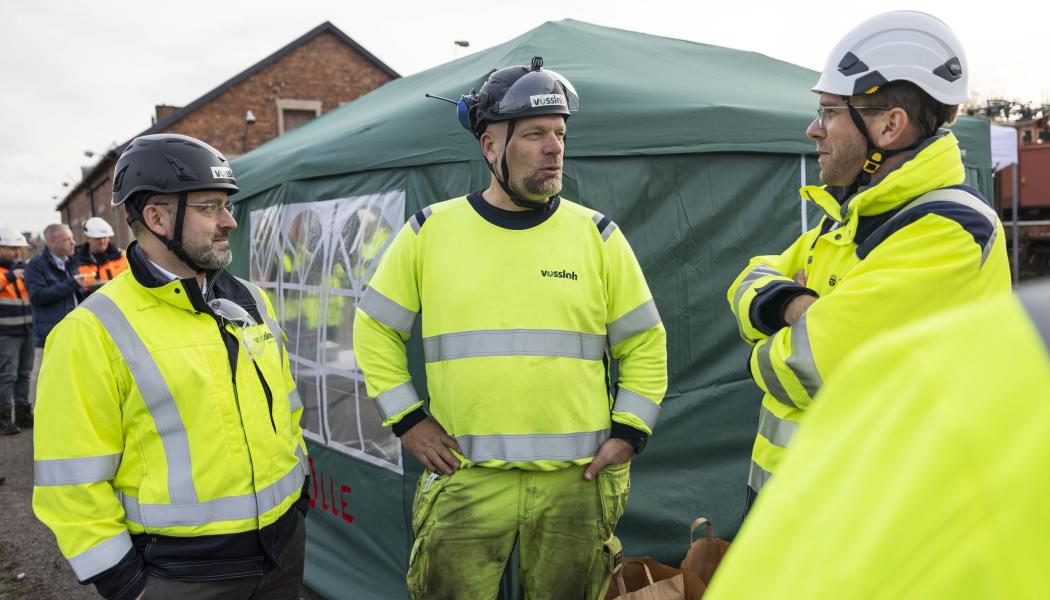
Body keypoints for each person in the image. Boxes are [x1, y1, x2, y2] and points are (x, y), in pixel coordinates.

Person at [353, 57, 668, 599]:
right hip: (465, 481)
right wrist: (408, 422)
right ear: (490, 146)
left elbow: (644, 342)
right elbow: (375, 329)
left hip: (577, 483)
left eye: (560, 134)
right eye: (535, 135)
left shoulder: (597, 236)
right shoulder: (431, 232)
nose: (554, 148)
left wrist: (628, 434)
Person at [725, 10, 1010, 509]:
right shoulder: (850, 215)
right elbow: (747, 279)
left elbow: (800, 367)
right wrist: (795, 306)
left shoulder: (950, 229)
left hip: (872, 528)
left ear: (890, 126)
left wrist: (765, 334)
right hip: (800, 517)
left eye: (831, 111)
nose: (814, 129)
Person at [33, 134, 309, 600]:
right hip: (180, 575)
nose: (230, 221)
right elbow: (70, 481)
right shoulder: (91, 331)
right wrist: (124, 583)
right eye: (209, 207)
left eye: (227, 205)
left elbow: (285, 408)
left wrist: (299, 496)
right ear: (157, 217)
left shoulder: (250, 300)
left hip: (282, 552)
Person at [707, 279, 1050, 599]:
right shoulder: (835, 228)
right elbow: (747, 282)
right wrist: (788, 299)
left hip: (840, 505)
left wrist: (757, 353)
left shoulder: (944, 225)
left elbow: (814, 364)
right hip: (792, 498)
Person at [25, 223, 86, 348]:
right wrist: (73, 284)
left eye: (72, 238)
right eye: (66, 240)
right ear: (51, 243)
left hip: (75, 330)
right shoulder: (35, 265)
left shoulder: (73, 261)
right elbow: (37, 296)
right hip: (52, 335)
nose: (73, 243)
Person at [0, 226, 33, 435]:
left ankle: (23, 413)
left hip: (27, 329)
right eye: (12, 249)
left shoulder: (23, 268)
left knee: (24, 374)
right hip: (5, 332)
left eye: (19, 249)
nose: (17, 253)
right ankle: (4, 420)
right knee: (7, 376)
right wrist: (11, 277)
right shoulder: (8, 273)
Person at [76, 216, 129, 294]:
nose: (102, 241)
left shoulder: (123, 256)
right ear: (87, 238)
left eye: (105, 237)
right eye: (98, 238)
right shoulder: (77, 261)